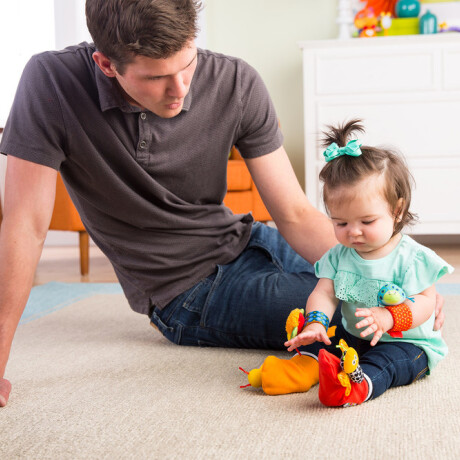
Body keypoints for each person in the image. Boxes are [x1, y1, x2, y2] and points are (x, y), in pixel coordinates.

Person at [0, 1, 444, 408]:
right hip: (187, 290)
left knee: (383, 299)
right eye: (155, 77)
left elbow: (293, 213)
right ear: (105, 64)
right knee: (353, 322)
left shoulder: (236, 81)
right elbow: (25, 226)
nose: (179, 90)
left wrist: (401, 271)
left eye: (188, 64)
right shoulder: (51, 82)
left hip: (250, 239)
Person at [285, 120, 452, 407]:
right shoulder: (339, 256)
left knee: (386, 363)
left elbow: (426, 302)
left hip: (407, 344)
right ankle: (308, 368)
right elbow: (324, 293)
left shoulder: (412, 258)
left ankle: (358, 387)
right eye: (341, 222)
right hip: (355, 337)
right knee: (325, 343)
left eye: (367, 221)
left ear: (397, 211)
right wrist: (315, 322)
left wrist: (388, 318)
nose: (353, 231)